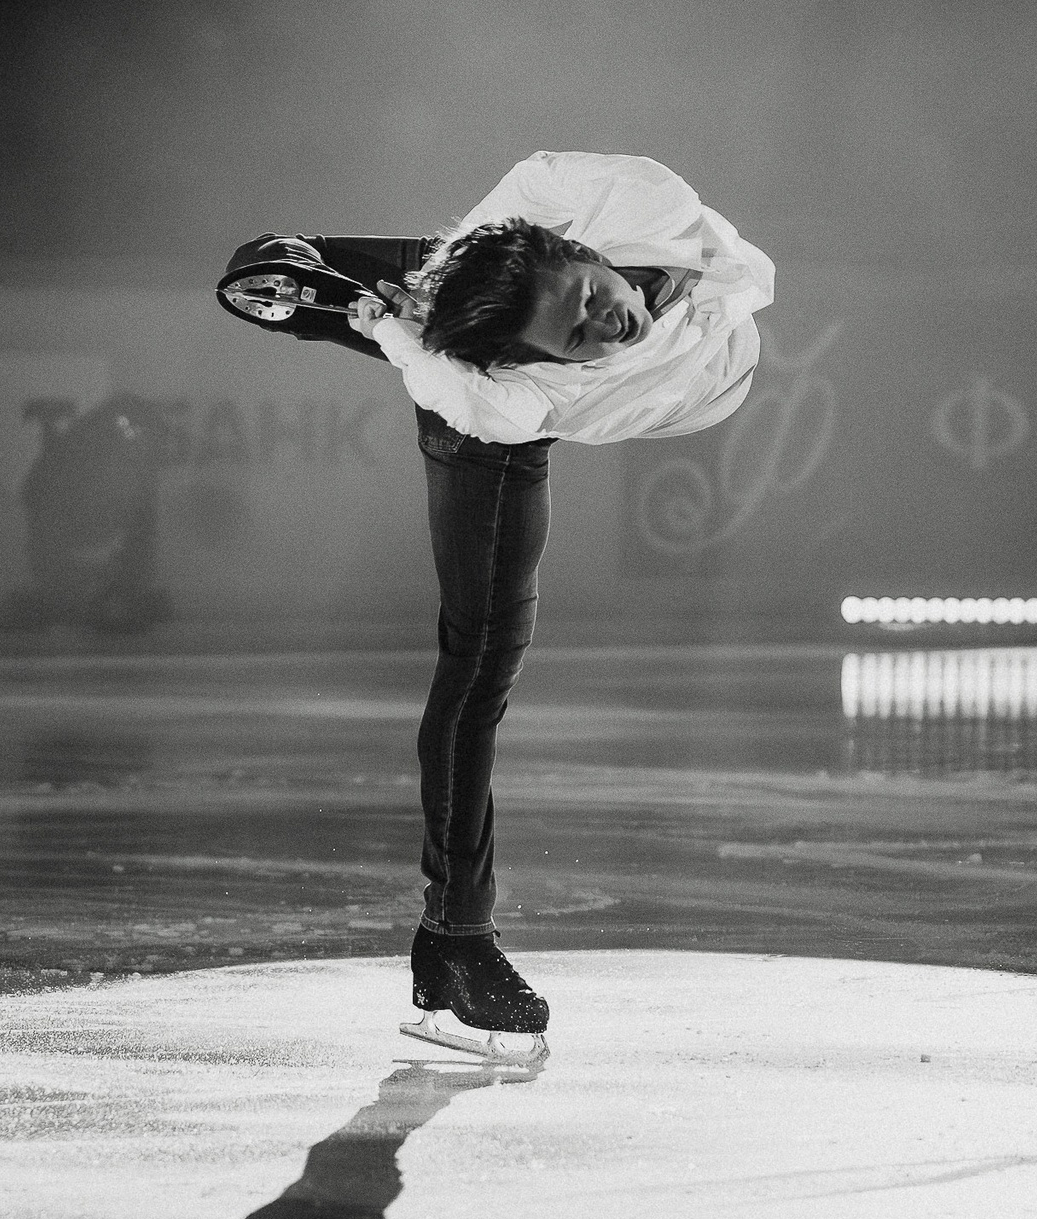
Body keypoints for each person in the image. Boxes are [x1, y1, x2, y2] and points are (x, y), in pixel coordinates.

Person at [217, 151, 775, 1063]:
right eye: (578, 334)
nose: (608, 322)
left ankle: (334, 275)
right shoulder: (534, 389)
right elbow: (486, 403)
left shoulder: (632, 201)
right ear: (541, 357)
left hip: (665, 358)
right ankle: (457, 942)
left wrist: (421, 304)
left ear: (580, 248)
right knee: (479, 666)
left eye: (591, 295)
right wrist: (407, 340)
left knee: (439, 284)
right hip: (481, 395)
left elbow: (533, 185)